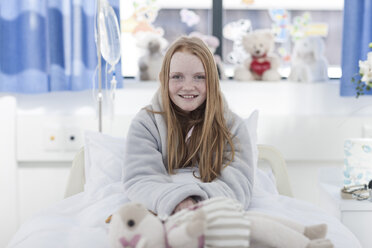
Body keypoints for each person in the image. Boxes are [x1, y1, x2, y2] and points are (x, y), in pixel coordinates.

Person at [122, 36, 255, 217]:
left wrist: (195, 203)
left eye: (199, 77)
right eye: (177, 77)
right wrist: (177, 201)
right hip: (166, 212)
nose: (188, 87)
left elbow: (238, 183)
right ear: (164, 79)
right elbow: (141, 178)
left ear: (212, 81)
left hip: (212, 213)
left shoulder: (232, 126)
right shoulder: (145, 124)